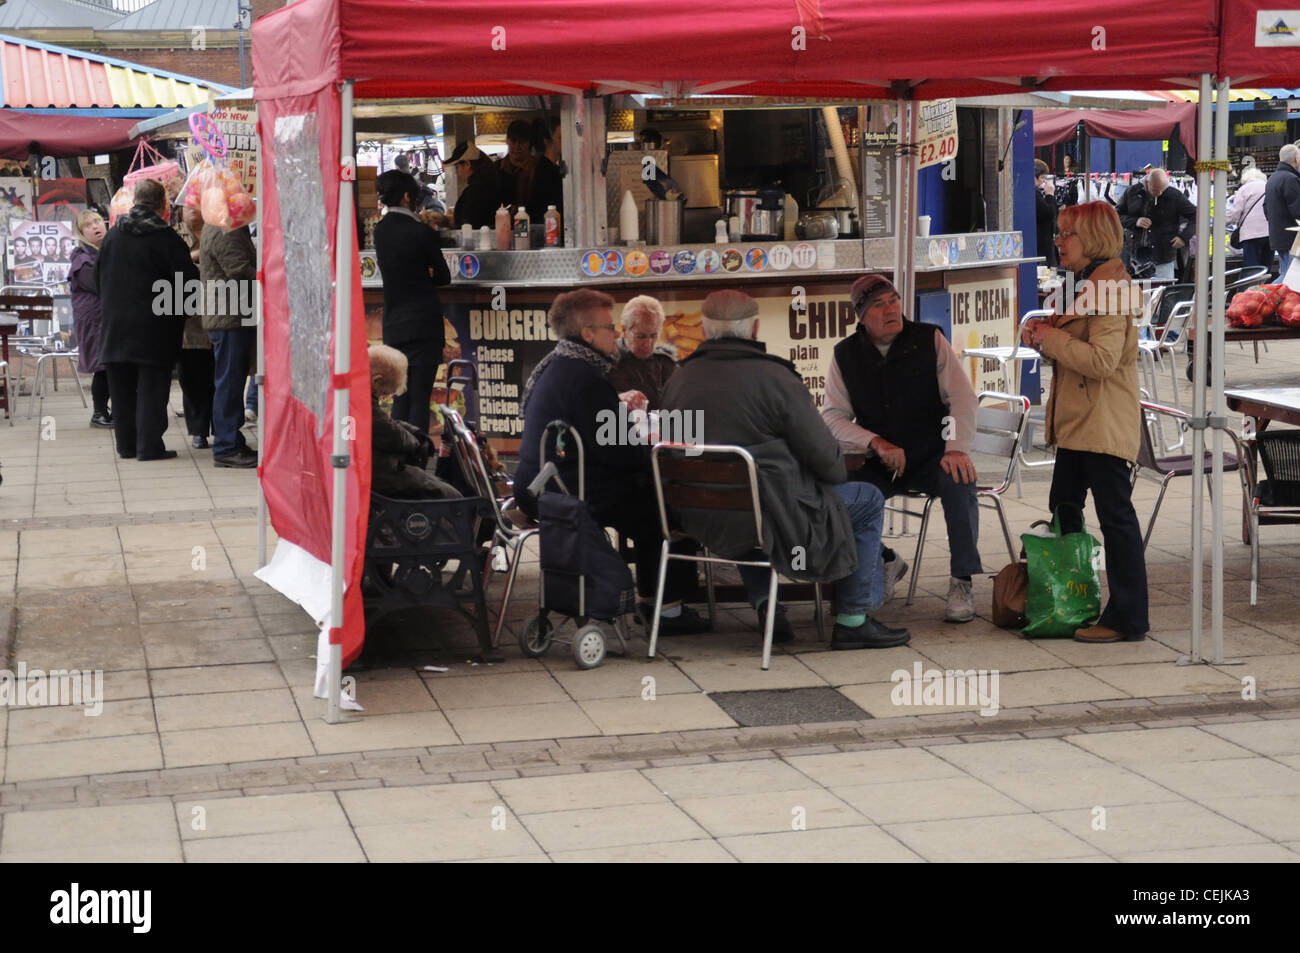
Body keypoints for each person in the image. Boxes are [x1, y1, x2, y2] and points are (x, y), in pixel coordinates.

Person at [660, 290, 911, 650]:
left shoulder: (677, 380)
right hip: (775, 515)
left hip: (699, 517)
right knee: (867, 498)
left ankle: (768, 606)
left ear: (703, 329)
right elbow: (829, 464)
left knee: (743, 495)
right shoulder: (776, 378)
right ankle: (854, 618)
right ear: (755, 328)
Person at [513, 288, 708, 634]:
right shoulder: (586, 379)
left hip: (544, 483)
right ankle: (665, 610)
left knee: (650, 502)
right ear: (587, 334)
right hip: (566, 490)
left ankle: (654, 603)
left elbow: (609, 441)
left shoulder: (561, 364)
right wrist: (655, 453)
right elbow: (620, 453)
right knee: (665, 507)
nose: (616, 333)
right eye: (608, 327)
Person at [1021, 201, 1148, 643]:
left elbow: (1103, 360)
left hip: (1102, 421)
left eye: (1066, 233)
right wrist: (1043, 334)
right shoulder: (1089, 282)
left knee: (1115, 517)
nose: (1058, 241)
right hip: (1079, 422)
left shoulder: (1111, 288)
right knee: (1064, 508)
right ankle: (1071, 601)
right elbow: (1075, 341)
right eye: (1058, 232)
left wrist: (1052, 338)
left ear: (1092, 238)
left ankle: (1128, 618)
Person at [823, 274, 982, 623]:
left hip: (931, 454)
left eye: (894, 300)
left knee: (960, 481)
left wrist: (955, 448)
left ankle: (962, 580)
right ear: (862, 316)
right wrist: (874, 442)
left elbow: (962, 398)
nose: (891, 309)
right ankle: (884, 561)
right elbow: (833, 417)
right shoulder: (845, 354)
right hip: (878, 461)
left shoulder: (929, 339)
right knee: (840, 497)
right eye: (878, 305)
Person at [97, 179, 198, 461]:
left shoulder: (112, 237)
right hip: (155, 330)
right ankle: (149, 447)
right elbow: (188, 283)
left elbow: (97, 280)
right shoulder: (167, 239)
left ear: (134, 202)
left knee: (122, 391)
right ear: (162, 206)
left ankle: (127, 446)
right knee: (152, 390)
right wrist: (182, 315)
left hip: (115, 328)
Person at [372, 169, 452, 436]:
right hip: (423, 325)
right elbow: (443, 276)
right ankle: (416, 457)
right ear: (407, 196)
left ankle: (400, 458)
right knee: (420, 397)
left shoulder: (380, 231)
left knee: (400, 395)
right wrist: (426, 273)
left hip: (394, 324)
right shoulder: (421, 232)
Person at [200, 220, 258, 468]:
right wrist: (269, 275)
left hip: (229, 314)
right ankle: (227, 445)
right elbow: (238, 269)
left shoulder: (220, 225)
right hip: (229, 316)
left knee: (230, 381)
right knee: (229, 382)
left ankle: (231, 440)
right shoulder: (225, 228)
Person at [368, 344, 461, 500]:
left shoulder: (356, 395)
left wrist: (413, 432)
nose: (384, 397)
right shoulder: (362, 403)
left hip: (376, 466)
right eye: (384, 392)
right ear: (377, 380)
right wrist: (416, 441)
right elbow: (387, 433)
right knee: (450, 496)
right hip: (380, 470)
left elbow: (385, 424)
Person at [69, 209, 111, 428]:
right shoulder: (82, 259)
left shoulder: (102, 251)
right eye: (88, 225)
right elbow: (100, 285)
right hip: (94, 321)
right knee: (102, 366)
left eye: (97, 222)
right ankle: (99, 413)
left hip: (103, 318)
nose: (95, 227)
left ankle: (105, 411)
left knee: (108, 364)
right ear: (81, 232)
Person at [177, 205, 214, 450]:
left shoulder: (217, 232)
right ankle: (198, 429)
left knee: (215, 377)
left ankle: (220, 425)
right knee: (190, 378)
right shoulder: (177, 237)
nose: (192, 212)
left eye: (197, 207)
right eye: (188, 208)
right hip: (187, 322)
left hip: (217, 316)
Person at [1116, 168, 1195, 280]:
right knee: (1137, 293)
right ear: (1147, 183)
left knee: (1163, 291)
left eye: (1162, 190)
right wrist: (1135, 222)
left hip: (1163, 256)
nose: (1159, 193)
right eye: (1155, 190)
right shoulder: (1131, 192)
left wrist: (1184, 237)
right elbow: (1116, 215)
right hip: (1136, 255)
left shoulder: (1174, 195)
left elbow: (1195, 215)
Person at [607, 295, 677, 409]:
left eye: (653, 336)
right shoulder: (606, 361)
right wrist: (619, 398)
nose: (648, 344)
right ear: (624, 330)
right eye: (640, 336)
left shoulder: (665, 363)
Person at [1264, 143, 1300, 279]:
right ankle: (1264, 295)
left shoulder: (1272, 179)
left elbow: (1265, 208)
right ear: (1296, 159)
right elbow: (1298, 210)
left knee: (1286, 274)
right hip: (1292, 237)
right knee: (1291, 277)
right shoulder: (1290, 179)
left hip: (1278, 236)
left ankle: (1265, 295)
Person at [1226, 167, 1272, 271]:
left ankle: (1252, 286)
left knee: (1252, 269)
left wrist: (1221, 222)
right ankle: (1265, 286)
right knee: (1266, 268)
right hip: (1270, 233)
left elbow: (1234, 214)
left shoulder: (1244, 189)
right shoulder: (1269, 186)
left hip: (1250, 235)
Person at [447, 141, 501, 229]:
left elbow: (468, 222)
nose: (458, 172)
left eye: (457, 167)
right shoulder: (489, 183)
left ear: (467, 164)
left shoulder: (476, 190)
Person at [528, 117, 564, 224]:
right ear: (547, 141)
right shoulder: (546, 170)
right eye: (560, 138)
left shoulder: (548, 167)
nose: (565, 142)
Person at [497, 119, 536, 211]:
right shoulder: (496, 169)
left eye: (522, 142)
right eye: (513, 141)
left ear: (529, 143)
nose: (517, 147)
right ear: (507, 141)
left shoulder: (539, 169)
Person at [1035, 159, 1058, 266]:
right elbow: (1049, 213)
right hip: (1042, 247)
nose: (1043, 182)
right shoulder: (1034, 194)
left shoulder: (1035, 193)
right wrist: (1050, 195)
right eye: (1042, 178)